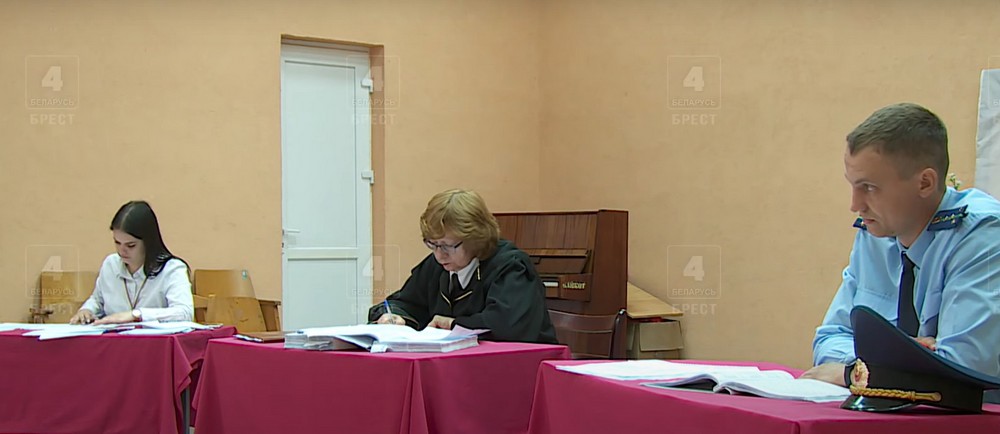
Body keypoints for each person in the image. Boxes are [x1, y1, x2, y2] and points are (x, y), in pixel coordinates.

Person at [802, 103, 1000, 404]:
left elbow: (965, 367)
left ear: (925, 183)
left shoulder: (982, 235)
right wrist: (908, 359)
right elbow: (830, 338)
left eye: (869, 187)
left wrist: (853, 373)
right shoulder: (876, 236)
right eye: (853, 186)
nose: (855, 205)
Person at [368, 189, 558, 344]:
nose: (439, 254)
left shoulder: (511, 267)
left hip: (519, 368)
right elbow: (405, 302)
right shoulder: (437, 266)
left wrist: (453, 324)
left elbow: (506, 325)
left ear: (475, 239)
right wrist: (393, 316)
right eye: (432, 244)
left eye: (447, 246)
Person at [69, 201, 194, 324]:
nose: (121, 250)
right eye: (117, 243)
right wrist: (87, 310)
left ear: (148, 242)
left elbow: (184, 313)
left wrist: (136, 315)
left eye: (131, 245)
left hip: (153, 337)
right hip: (113, 336)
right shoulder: (110, 264)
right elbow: (97, 301)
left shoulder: (172, 269)